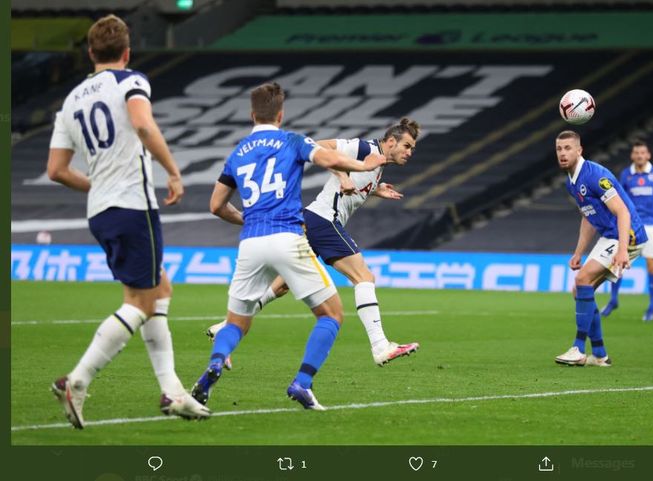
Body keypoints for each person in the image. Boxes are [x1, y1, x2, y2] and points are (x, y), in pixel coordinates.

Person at [47, 14, 210, 428]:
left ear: (90, 52)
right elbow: (142, 123)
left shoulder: (71, 101)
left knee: (159, 287)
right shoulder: (130, 81)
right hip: (133, 205)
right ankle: (78, 380)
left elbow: (56, 170)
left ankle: (172, 391)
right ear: (126, 52)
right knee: (139, 302)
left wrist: (98, 184)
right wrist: (173, 171)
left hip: (100, 210)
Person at [190, 82, 386, 411]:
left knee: (236, 322)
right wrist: (364, 167)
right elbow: (327, 157)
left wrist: (247, 219)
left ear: (252, 115)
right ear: (280, 115)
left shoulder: (237, 152)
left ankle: (216, 362)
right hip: (289, 237)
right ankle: (302, 383)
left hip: (251, 242)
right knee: (332, 314)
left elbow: (216, 206)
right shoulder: (292, 140)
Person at [206, 118, 421, 367]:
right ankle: (380, 345)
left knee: (281, 286)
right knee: (364, 277)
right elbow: (321, 147)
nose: (409, 152)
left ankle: (225, 328)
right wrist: (342, 176)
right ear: (391, 141)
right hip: (323, 221)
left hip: (312, 222)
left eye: (412, 148)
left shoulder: (376, 163)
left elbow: (356, 180)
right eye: (406, 145)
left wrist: (374, 188)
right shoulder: (363, 148)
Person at [553, 130, 648, 367]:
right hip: (609, 235)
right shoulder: (571, 182)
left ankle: (577, 348)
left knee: (583, 279)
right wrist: (578, 252)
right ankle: (600, 354)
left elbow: (623, 211)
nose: (563, 153)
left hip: (629, 235)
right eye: (559, 149)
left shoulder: (595, 175)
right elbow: (588, 216)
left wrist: (623, 250)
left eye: (567, 148)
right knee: (579, 290)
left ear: (579, 150)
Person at [601, 141, 653, 321]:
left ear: (648, 155)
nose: (639, 155)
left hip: (652, 224)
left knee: (651, 265)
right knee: (619, 262)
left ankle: (652, 307)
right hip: (630, 224)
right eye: (636, 153)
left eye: (642, 153)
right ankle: (613, 300)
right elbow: (619, 198)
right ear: (632, 156)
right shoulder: (626, 175)